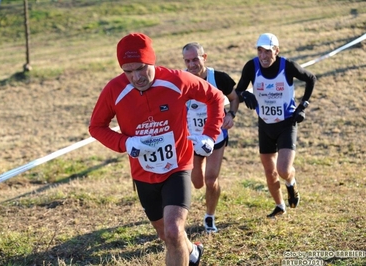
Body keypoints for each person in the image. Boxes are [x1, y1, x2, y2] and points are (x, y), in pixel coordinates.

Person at [89, 33, 226, 265]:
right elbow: (96, 127)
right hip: (144, 174)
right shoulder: (115, 89)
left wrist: (210, 135)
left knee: (173, 231)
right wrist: (126, 143)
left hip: (177, 167)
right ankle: (193, 252)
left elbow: (216, 98)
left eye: (141, 68)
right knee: (166, 235)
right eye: (128, 71)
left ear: (151, 61)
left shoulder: (177, 80)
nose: (136, 77)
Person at [234, 33, 316, 218]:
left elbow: (311, 78)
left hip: (287, 123)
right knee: (270, 172)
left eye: (268, 51)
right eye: (260, 51)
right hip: (264, 125)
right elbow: (238, 91)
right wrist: (245, 95)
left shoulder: (288, 66)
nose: (263, 56)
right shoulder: (251, 66)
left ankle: (291, 183)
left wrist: (303, 105)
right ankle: (280, 206)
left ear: (276, 51)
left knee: (284, 170)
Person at [182, 42, 239, 233]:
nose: (192, 64)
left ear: (204, 58)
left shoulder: (219, 78)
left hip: (216, 136)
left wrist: (231, 114)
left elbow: (234, 97)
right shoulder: (180, 81)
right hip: (193, 139)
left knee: (211, 179)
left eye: (195, 59)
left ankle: (209, 217)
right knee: (197, 183)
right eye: (187, 61)